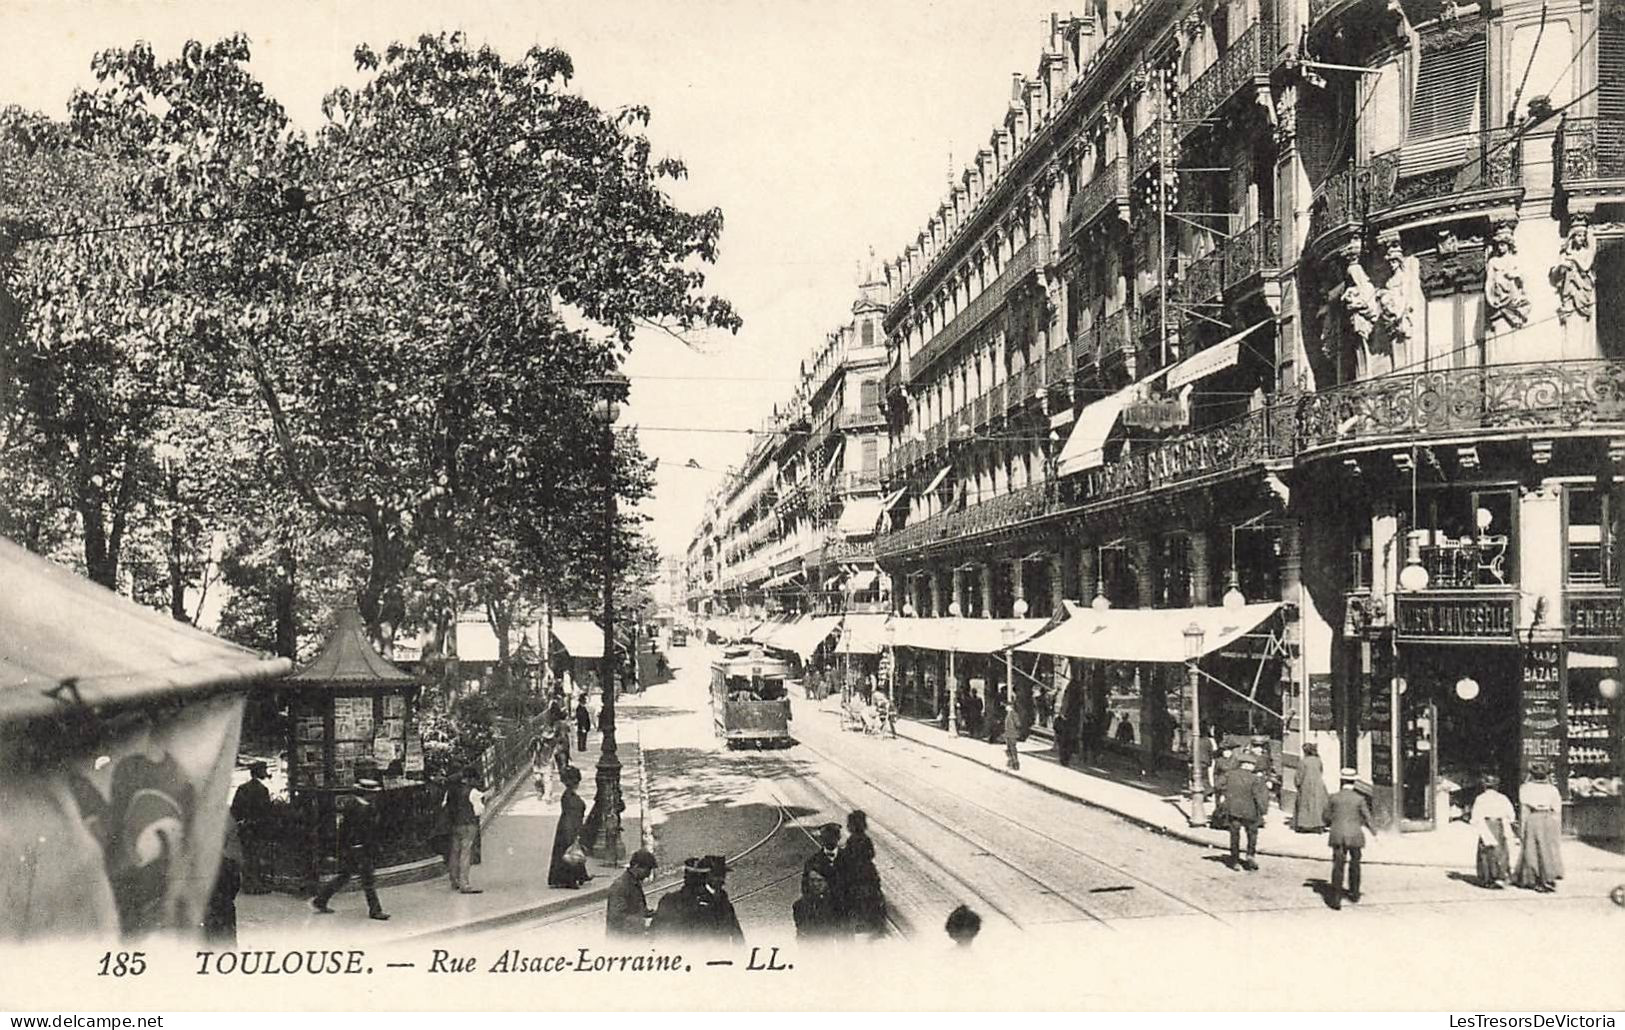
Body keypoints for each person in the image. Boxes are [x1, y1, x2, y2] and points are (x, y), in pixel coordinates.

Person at [312, 777, 389, 920]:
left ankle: (321, 899)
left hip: (354, 849)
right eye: (372, 793)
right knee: (368, 880)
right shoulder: (361, 808)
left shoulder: (355, 805)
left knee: (345, 876)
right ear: (366, 793)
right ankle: (375, 910)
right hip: (359, 849)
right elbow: (361, 832)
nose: (375, 795)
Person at [1326, 768, 1374, 910]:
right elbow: (1367, 817)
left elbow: (1326, 816)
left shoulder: (1334, 797)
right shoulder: (1359, 799)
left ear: (1341, 781)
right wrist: (1374, 831)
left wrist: (1334, 821)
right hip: (1354, 835)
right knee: (1355, 864)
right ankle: (1354, 893)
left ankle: (1336, 898)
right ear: (1354, 782)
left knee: (1338, 866)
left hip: (1338, 834)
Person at [1514, 764, 1565, 892]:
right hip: (1548, 817)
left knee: (1531, 848)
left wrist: (1522, 827)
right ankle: (1548, 877)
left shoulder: (1525, 788)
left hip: (1533, 816)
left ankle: (1532, 877)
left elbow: (1524, 808)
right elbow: (1557, 808)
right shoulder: (1552, 789)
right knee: (1548, 848)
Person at [834, 810, 886, 936]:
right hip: (868, 871)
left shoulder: (853, 839)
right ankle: (874, 919)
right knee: (873, 894)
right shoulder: (865, 838)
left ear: (852, 825)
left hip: (856, 873)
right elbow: (871, 854)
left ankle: (859, 921)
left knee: (851, 895)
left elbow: (849, 857)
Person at [230, 760, 274, 893]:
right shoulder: (262, 790)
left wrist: (240, 822)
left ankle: (248, 884)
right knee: (255, 856)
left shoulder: (242, 788)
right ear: (259, 772)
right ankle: (256, 884)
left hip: (244, 827)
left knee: (247, 855)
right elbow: (267, 812)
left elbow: (234, 809)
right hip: (257, 827)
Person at [440, 766, 484, 894]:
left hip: (455, 824)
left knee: (454, 852)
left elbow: (445, 804)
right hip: (468, 824)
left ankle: (454, 880)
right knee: (466, 853)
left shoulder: (451, 790)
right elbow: (479, 810)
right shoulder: (473, 791)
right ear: (471, 779)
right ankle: (465, 883)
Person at [1219, 758, 1268, 871]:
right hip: (1250, 811)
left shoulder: (1230, 774)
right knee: (1252, 834)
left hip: (1233, 810)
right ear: (1248, 765)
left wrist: (1227, 794)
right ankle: (1250, 855)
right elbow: (1258, 796)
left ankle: (1235, 860)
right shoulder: (1255, 779)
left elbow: (1218, 785)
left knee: (1234, 835)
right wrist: (1263, 811)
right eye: (1252, 764)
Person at [1470, 774, 1517, 889]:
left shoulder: (1480, 798)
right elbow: (1511, 814)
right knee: (1500, 851)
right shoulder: (1503, 798)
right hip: (1499, 824)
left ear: (1484, 786)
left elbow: (1475, 815)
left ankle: (1487, 877)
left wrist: (1477, 825)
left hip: (1486, 823)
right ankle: (1500, 876)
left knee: (1486, 851)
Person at [548, 766, 591, 889]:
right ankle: (570, 880)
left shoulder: (568, 795)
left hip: (566, 826)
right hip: (570, 826)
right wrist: (575, 831)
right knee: (571, 851)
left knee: (571, 851)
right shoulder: (570, 797)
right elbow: (573, 816)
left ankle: (579, 875)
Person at [202, 818, 243, 944]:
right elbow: (235, 887)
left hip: (209, 910)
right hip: (225, 909)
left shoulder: (203, 866)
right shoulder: (230, 865)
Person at [605, 849, 658, 937]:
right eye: (647, 870)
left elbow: (638, 909)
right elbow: (617, 918)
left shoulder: (634, 883)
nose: (648, 874)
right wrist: (643, 922)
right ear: (636, 866)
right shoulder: (620, 886)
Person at [792, 868, 845, 940]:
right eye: (812, 880)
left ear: (827, 882)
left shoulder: (837, 905)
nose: (815, 884)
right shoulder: (799, 906)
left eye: (819, 880)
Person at [1293, 742, 1330, 832]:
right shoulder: (1318, 760)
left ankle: (1304, 824)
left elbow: (1299, 775)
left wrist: (1297, 784)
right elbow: (1321, 771)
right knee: (1318, 805)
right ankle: (1319, 824)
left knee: (1305, 805)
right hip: (1318, 785)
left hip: (1306, 785)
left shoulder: (1303, 762)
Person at [803, 822, 842, 905]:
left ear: (839, 837)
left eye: (833, 837)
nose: (829, 841)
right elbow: (806, 889)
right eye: (826, 838)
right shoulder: (812, 862)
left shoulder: (850, 859)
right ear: (821, 839)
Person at [532, 732, 558, 803]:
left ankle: (548, 796)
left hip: (547, 763)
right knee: (538, 779)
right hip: (538, 763)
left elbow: (555, 751)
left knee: (547, 780)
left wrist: (552, 759)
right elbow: (531, 750)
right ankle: (540, 791)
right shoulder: (536, 741)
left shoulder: (553, 742)